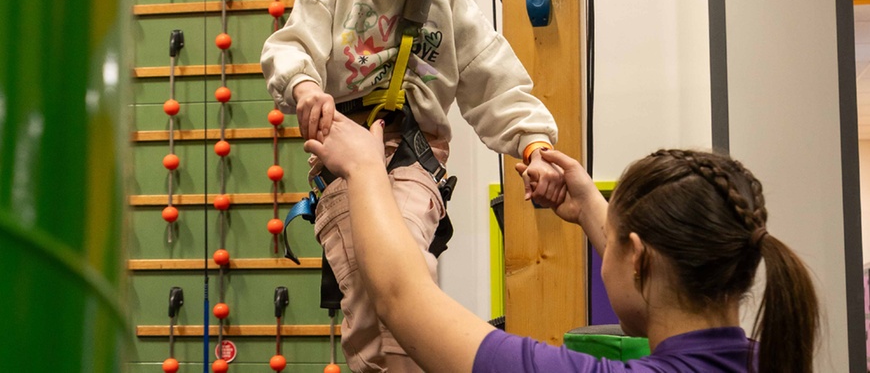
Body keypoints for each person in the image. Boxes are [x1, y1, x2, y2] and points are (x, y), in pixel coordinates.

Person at [260, 0, 563, 370]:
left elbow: (497, 84)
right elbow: (289, 46)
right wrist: (305, 86)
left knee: (399, 274)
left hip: (412, 160)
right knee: (363, 293)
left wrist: (534, 143)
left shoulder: (448, 5)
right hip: (344, 157)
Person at [303, 112, 821, 373]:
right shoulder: (771, 358)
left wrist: (367, 169)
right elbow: (646, 282)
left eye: (612, 242)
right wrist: (594, 209)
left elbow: (402, 298)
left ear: (638, 258)